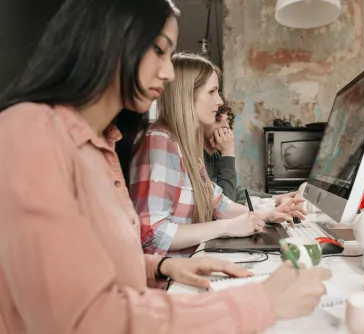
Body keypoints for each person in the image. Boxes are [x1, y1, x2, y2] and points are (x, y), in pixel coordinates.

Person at [0, 0, 331, 333]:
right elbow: (82, 318)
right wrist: (263, 302)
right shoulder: (29, 134)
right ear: (108, 39)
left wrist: (160, 267)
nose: (169, 72)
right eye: (159, 50)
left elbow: (88, 265)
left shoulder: (104, 145)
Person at [129, 52, 306, 256]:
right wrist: (226, 227)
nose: (220, 100)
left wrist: (268, 215)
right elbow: (151, 234)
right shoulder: (159, 142)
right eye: (212, 91)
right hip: (170, 280)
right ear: (187, 95)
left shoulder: (184, 144)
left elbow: (218, 202)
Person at [203, 96, 300, 204]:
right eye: (219, 120)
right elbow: (225, 205)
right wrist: (228, 153)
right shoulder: (199, 158)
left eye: (227, 121)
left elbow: (236, 192)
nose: (227, 127)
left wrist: (275, 198)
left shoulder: (214, 156)